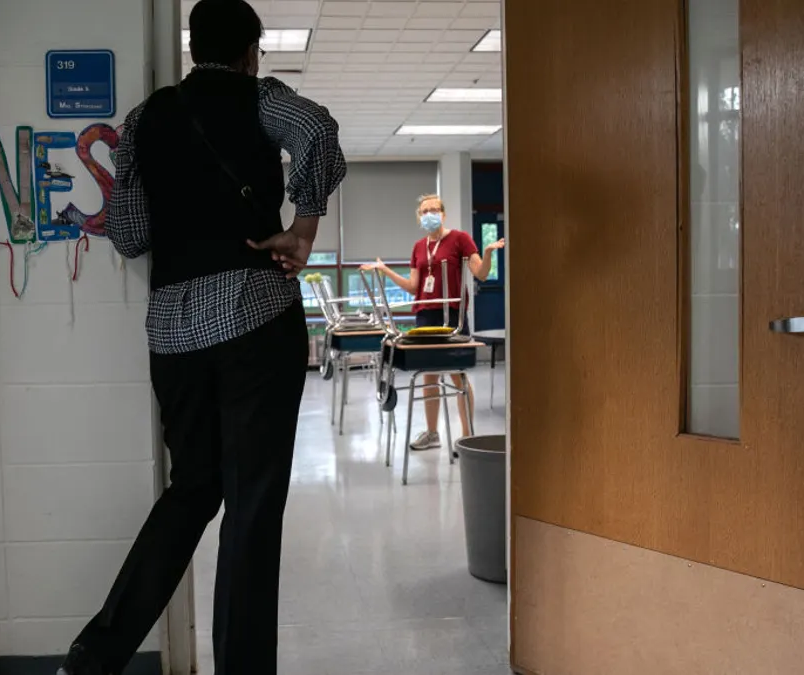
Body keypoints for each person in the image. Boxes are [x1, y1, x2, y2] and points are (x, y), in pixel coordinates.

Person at [57, 1, 346, 673]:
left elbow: (129, 234)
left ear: (191, 49)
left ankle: (94, 654)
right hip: (254, 318)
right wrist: (303, 226)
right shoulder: (259, 97)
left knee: (192, 489)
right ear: (251, 51)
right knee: (251, 505)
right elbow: (317, 129)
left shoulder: (143, 120)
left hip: (172, 334)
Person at [362, 194, 504, 450]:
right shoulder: (418, 247)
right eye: (425, 210)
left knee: (457, 376)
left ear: (443, 213)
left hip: (452, 315)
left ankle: (467, 436)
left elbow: (481, 272)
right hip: (425, 315)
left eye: (434, 209)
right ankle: (431, 433)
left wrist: (488, 252)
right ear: (419, 217)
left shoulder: (460, 239)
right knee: (428, 375)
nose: (430, 214)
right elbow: (413, 286)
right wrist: (385, 270)